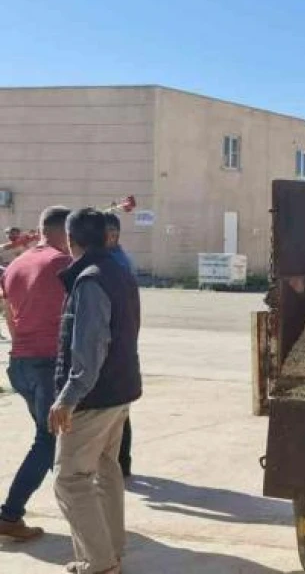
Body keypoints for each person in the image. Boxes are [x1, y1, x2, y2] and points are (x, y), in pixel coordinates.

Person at [49, 208, 142, 574]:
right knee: (106, 470)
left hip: (94, 397)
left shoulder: (89, 280)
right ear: (108, 237)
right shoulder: (121, 273)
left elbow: (90, 348)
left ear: (72, 242)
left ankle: (100, 563)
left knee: (70, 480)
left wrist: (67, 397)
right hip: (120, 393)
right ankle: (110, 552)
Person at [0, 207, 73, 542]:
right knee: (47, 442)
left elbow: (9, 317)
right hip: (48, 364)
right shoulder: (62, 264)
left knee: (52, 441)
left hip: (21, 363)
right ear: (65, 232)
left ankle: (78, 507)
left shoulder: (16, 263)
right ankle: (9, 515)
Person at [103, 212, 134, 477]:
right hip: (118, 344)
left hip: (115, 346)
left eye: (114, 234)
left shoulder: (117, 263)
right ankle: (118, 462)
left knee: (118, 411)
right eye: (107, 234)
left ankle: (121, 462)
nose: (111, 238)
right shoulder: (115, 260)